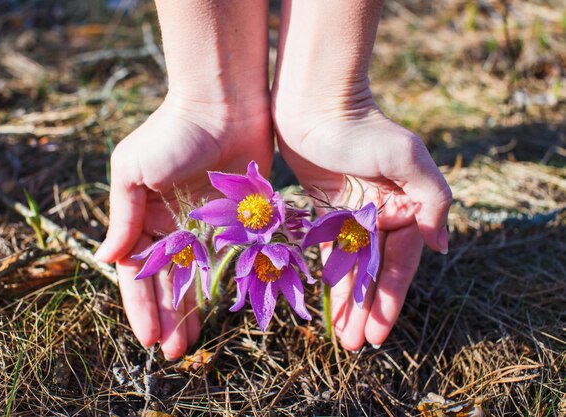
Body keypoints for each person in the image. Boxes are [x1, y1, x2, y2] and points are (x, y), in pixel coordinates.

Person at [94, 0, 452, 360]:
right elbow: (224, 222)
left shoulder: (321, 226)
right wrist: (202, 105)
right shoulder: (240, 221)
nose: (252, 218)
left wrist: (333, 103)